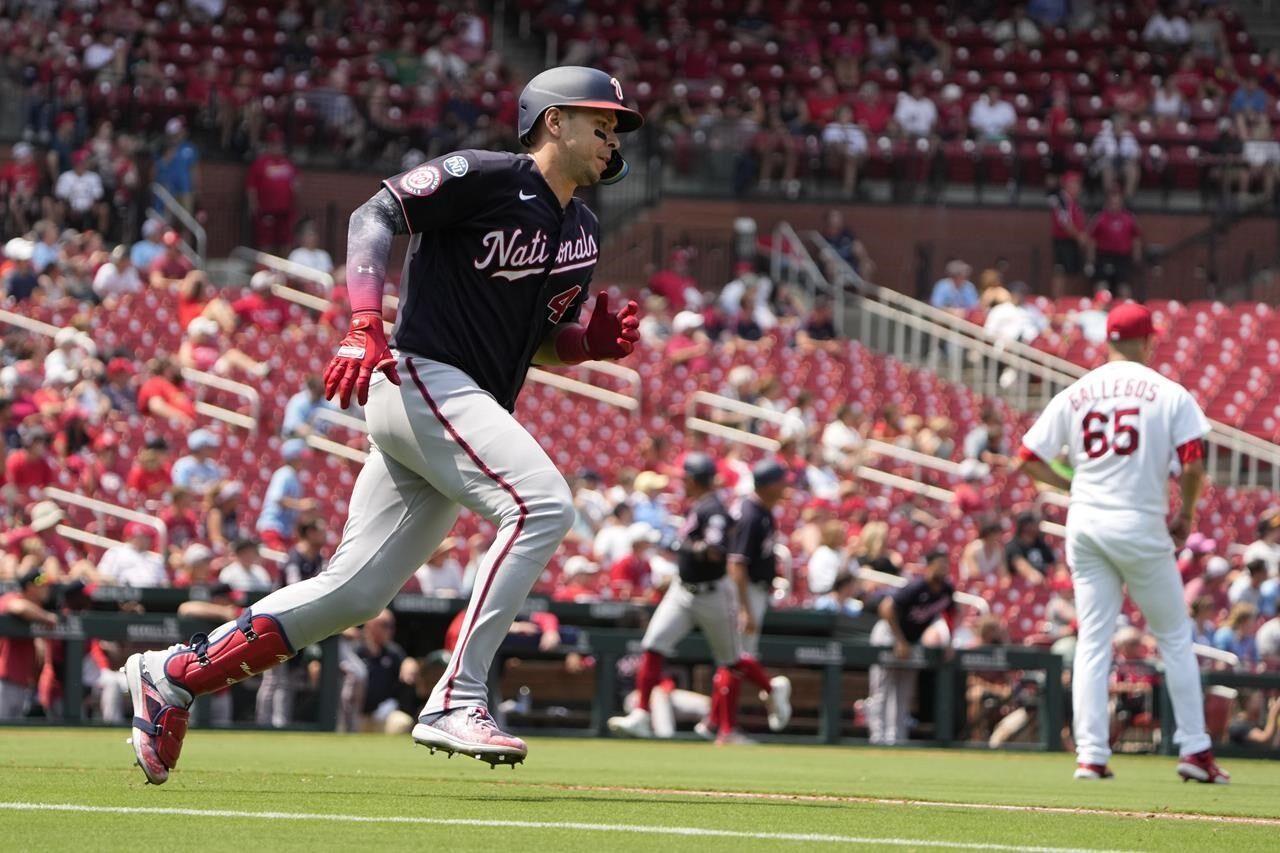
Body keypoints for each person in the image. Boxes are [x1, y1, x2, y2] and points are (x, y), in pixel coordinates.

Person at [122, 66, 645, 782]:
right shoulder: (487, 176)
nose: (612, 136)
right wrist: (364, 318)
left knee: (354, 592)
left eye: (616, 126)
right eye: (601, 120)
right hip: (419, 376)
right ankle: (458, 695)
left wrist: (590, 344)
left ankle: (174, 672)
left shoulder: (580, 226)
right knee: (543, 504)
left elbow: (542, 342)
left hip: (464, 403)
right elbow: (372, 215)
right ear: (553, 122)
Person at [1017, 301, 1229, 783]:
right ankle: (1194, 750)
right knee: (1174, 635)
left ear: (1107, 340)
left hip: (1087, 522)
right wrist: (1187, 514)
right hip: (1138, 521)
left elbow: (1027, 456)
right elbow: (1193, 465)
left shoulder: (1079, 390)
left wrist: (1072, 480)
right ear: (1149, 340)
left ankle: (1091, 755)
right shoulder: (1168, 392)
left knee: (1093, 640)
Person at [607, 453, 787, 744]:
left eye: (683, 478)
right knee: (653, 646)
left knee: (731, 660)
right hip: (682, 590)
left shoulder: (714, 508)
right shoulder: (701, 505)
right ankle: (641, 714)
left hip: (712, 594)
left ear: (692, 479)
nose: (680, 483)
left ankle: (767, 689)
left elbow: (716, 548)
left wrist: (684, 545)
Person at [725, 458, 793, 729]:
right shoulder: (751, 514)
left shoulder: (764, 511)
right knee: (737, 658)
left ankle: (719, 724)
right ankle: (769, 690)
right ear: (768, 484)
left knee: (734, 660)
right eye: (781, 481)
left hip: (754, 590)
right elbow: (736, 564)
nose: (785, 486)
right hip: (745, 591)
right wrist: (744, 607)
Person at [866, 547, 955, 745]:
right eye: (939, 564)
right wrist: (900, 641)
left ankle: (896, 737)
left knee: (904, 691)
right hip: (890, 633)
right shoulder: (917, 587)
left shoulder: (947, 589)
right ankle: (877, 736)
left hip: (910, 640)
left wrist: (949, 641)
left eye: (945, 565)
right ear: (929, 567)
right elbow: (886, 608)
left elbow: (951, 614)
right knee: (882, 688)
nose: (943, 568)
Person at [0, 569, 59, 719]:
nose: (45, 588)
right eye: (41, 584)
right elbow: (18, 607)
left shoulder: (36, 609)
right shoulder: (12, 598)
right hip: (4, 680)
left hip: (21, 682)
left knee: (12, 735)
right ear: (29, 586)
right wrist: (46, 617)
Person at [255, 438, 317, 553]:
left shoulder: (294, 476)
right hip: (272, 528)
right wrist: (301, 505)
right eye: (301, 457)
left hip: (285, 532)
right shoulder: (284, 473)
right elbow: (277, 498)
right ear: (294, 458)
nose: (304, 460)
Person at [246, 128, 299, 256]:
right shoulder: (260, 164)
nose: (278, 147)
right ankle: (265, 271)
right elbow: (251, 188)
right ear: (269, 145)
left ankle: (284, 272)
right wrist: (254, 206)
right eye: (275, 144)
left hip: (285, 211)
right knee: (266, 243)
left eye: (280, 144)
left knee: (286, 242)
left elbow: (296, 185)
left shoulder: (289, 164)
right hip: (266, 210)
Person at [97, 523, 168, 588]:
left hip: (152, 597)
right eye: (141, 537)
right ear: (129, 537)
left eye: (147, 537)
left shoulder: (155, 558)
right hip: (122, 595)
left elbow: (164, 584)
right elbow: (103, 576)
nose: (145, 540)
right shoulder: (116, 552)